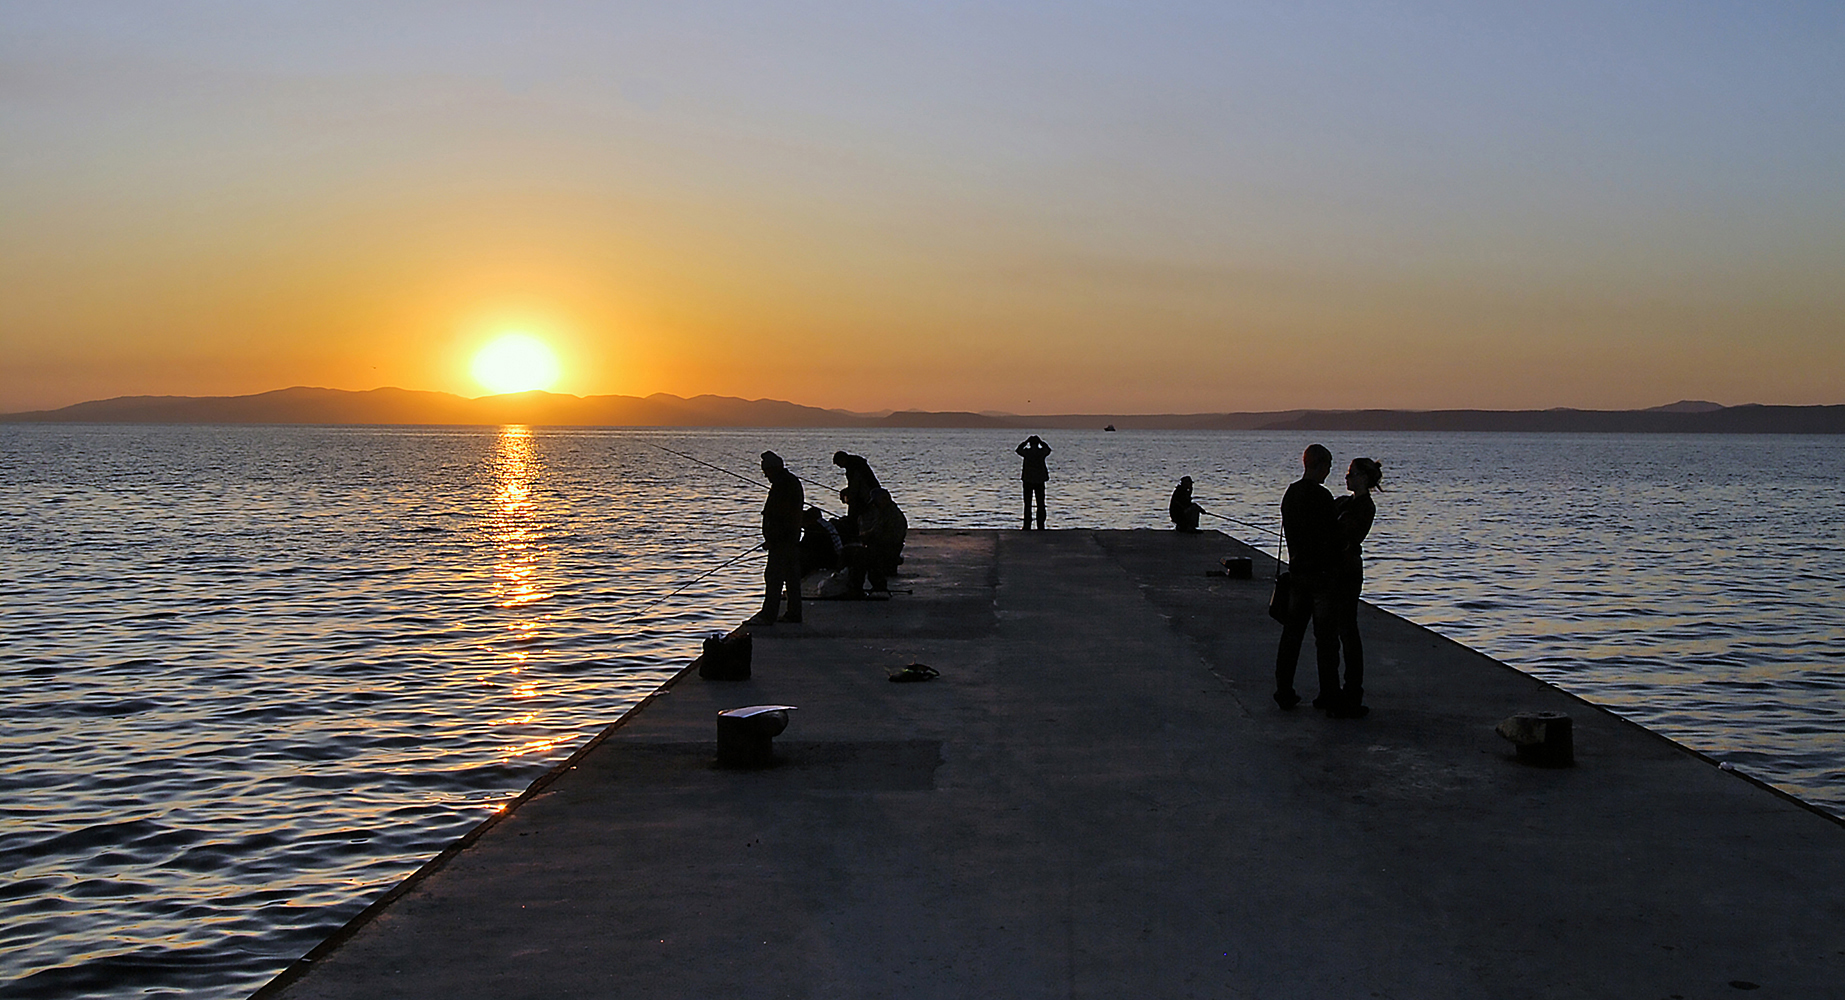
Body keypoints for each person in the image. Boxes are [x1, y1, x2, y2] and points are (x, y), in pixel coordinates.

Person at [1273, 444, 1343, 712]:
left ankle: (1284, 691)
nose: (1328, 472)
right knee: (1326, 640)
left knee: (1291, 637)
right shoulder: (1322, 496)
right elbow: (1331, 536)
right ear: (1320, 465)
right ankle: (1329, 694)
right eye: (1328, 467)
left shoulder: (1291, 494)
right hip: (1321, 577)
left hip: (1298, 574)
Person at [1329, 457, 1383, 718]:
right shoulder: (1344, 502)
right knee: (1332, 631)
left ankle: (1352, 693)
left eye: (1351, 473)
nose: (1346, 477)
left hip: (1348, 572)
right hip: (1334, 570)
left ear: (1363, 477)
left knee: (1348, 632)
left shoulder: (1365, 507)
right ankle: (1332, 691)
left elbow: (1347, 533)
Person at [746, 451, 803, 625]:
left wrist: (772, 538)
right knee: (792, 578)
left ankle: (768, 616)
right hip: (790, 538)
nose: (766, 476)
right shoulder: (789, 481)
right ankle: (794, 614)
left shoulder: (782, 484)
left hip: (782, 540)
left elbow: (780, 515)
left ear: (774, 468)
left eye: (767, 472)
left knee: (774, 577)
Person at [856, 488, 908, 591]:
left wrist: (868, 537)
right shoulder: (884, 512)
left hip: (888, 548)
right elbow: (876, 530)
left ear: (885, 499)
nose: (874, 505)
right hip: (884, 546)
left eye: (876, 502)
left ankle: (860, 587)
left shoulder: (892, 515)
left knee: (858, 556)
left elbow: (888, 537)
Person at [832, 451, 881, 534]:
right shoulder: (855, 464)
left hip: (866, 497)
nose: (839, 466)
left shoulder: (854, 467)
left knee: (856, 516)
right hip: (868, 494)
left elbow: (856, 485)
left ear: (842, 459)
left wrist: (850, 496)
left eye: (838, 463)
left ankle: (855, 533)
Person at [1015, 435, 1052, 529]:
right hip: (1039, 480)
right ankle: (1041, 525)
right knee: (1041, 503)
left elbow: (1018, 449)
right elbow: (1048, 449)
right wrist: (1041, 442)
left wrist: (1025, 442)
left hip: (1028, 480)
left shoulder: (1027, 453)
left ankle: (1027, 525)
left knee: (1028, 504)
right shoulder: (1041, 453)